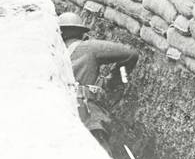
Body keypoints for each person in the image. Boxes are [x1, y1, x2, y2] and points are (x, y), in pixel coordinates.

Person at [58, 11, 139, 144]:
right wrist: (115, 81)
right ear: (81, 32)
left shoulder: (49, 51)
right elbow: (131, 54)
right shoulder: (89, 47)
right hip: (86, 113)